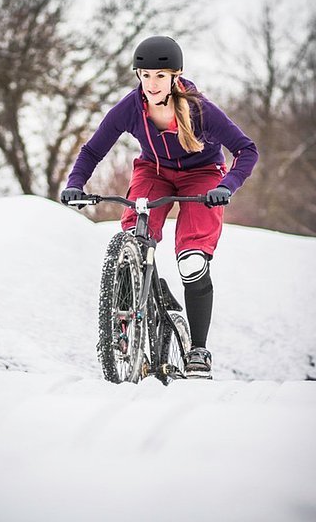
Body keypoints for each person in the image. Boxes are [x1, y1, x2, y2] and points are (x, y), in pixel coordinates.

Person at [60, 36, 258, 378]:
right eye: (145, 75)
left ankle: (198, 350)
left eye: (160, 76)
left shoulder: (200, 110)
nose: (151, 84)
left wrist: (226, 187)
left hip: (203, 178)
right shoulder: (130, 108)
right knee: (132, 240)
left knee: (192, 261)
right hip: (154, 173)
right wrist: (75, 184)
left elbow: (246, 149)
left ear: (175, 76)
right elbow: (92, 151)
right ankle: (123, 325)